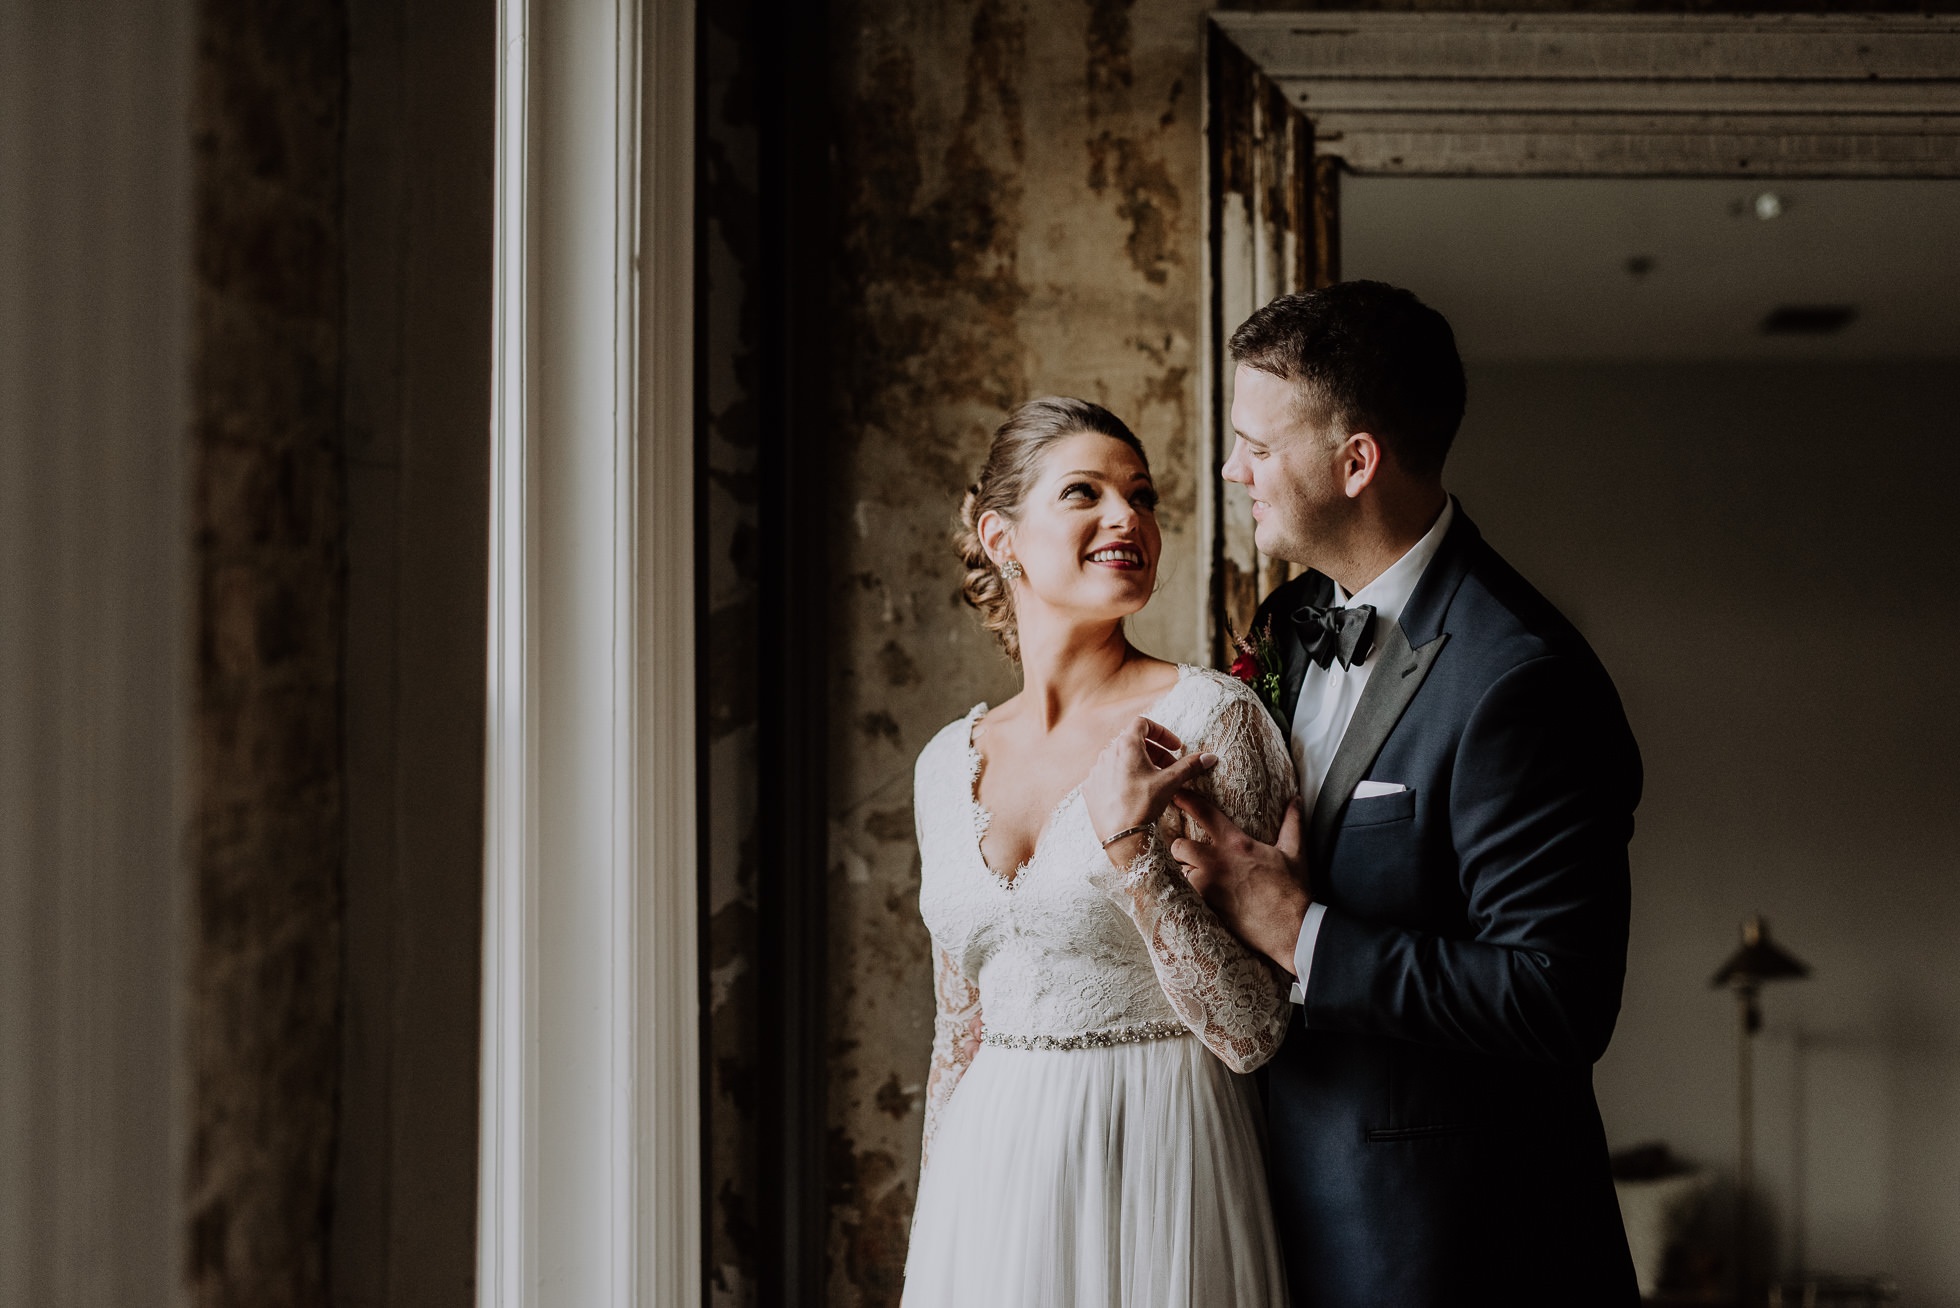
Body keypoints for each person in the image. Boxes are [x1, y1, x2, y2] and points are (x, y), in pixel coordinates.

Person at [1175, 281, 1643, 1305]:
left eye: (1257, 443)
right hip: (1256, 1207)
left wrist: (1298, 932)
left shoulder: (1520, 679)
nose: (1229, 468)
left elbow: (1554, 998)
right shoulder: (1291, 619)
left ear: (1356, 461)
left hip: (1442, 1246)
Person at [902, 397, 1296, 1308]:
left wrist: (1132, 852)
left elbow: (1254, 1031)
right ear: (1002, 538)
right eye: (1085, 493)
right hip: (989, 1184)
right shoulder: (942, 765)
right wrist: (935, 1245)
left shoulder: (1209, 722)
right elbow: (954, 1032)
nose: (1129, 518)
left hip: (1162, 1157)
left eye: (1143, 496)